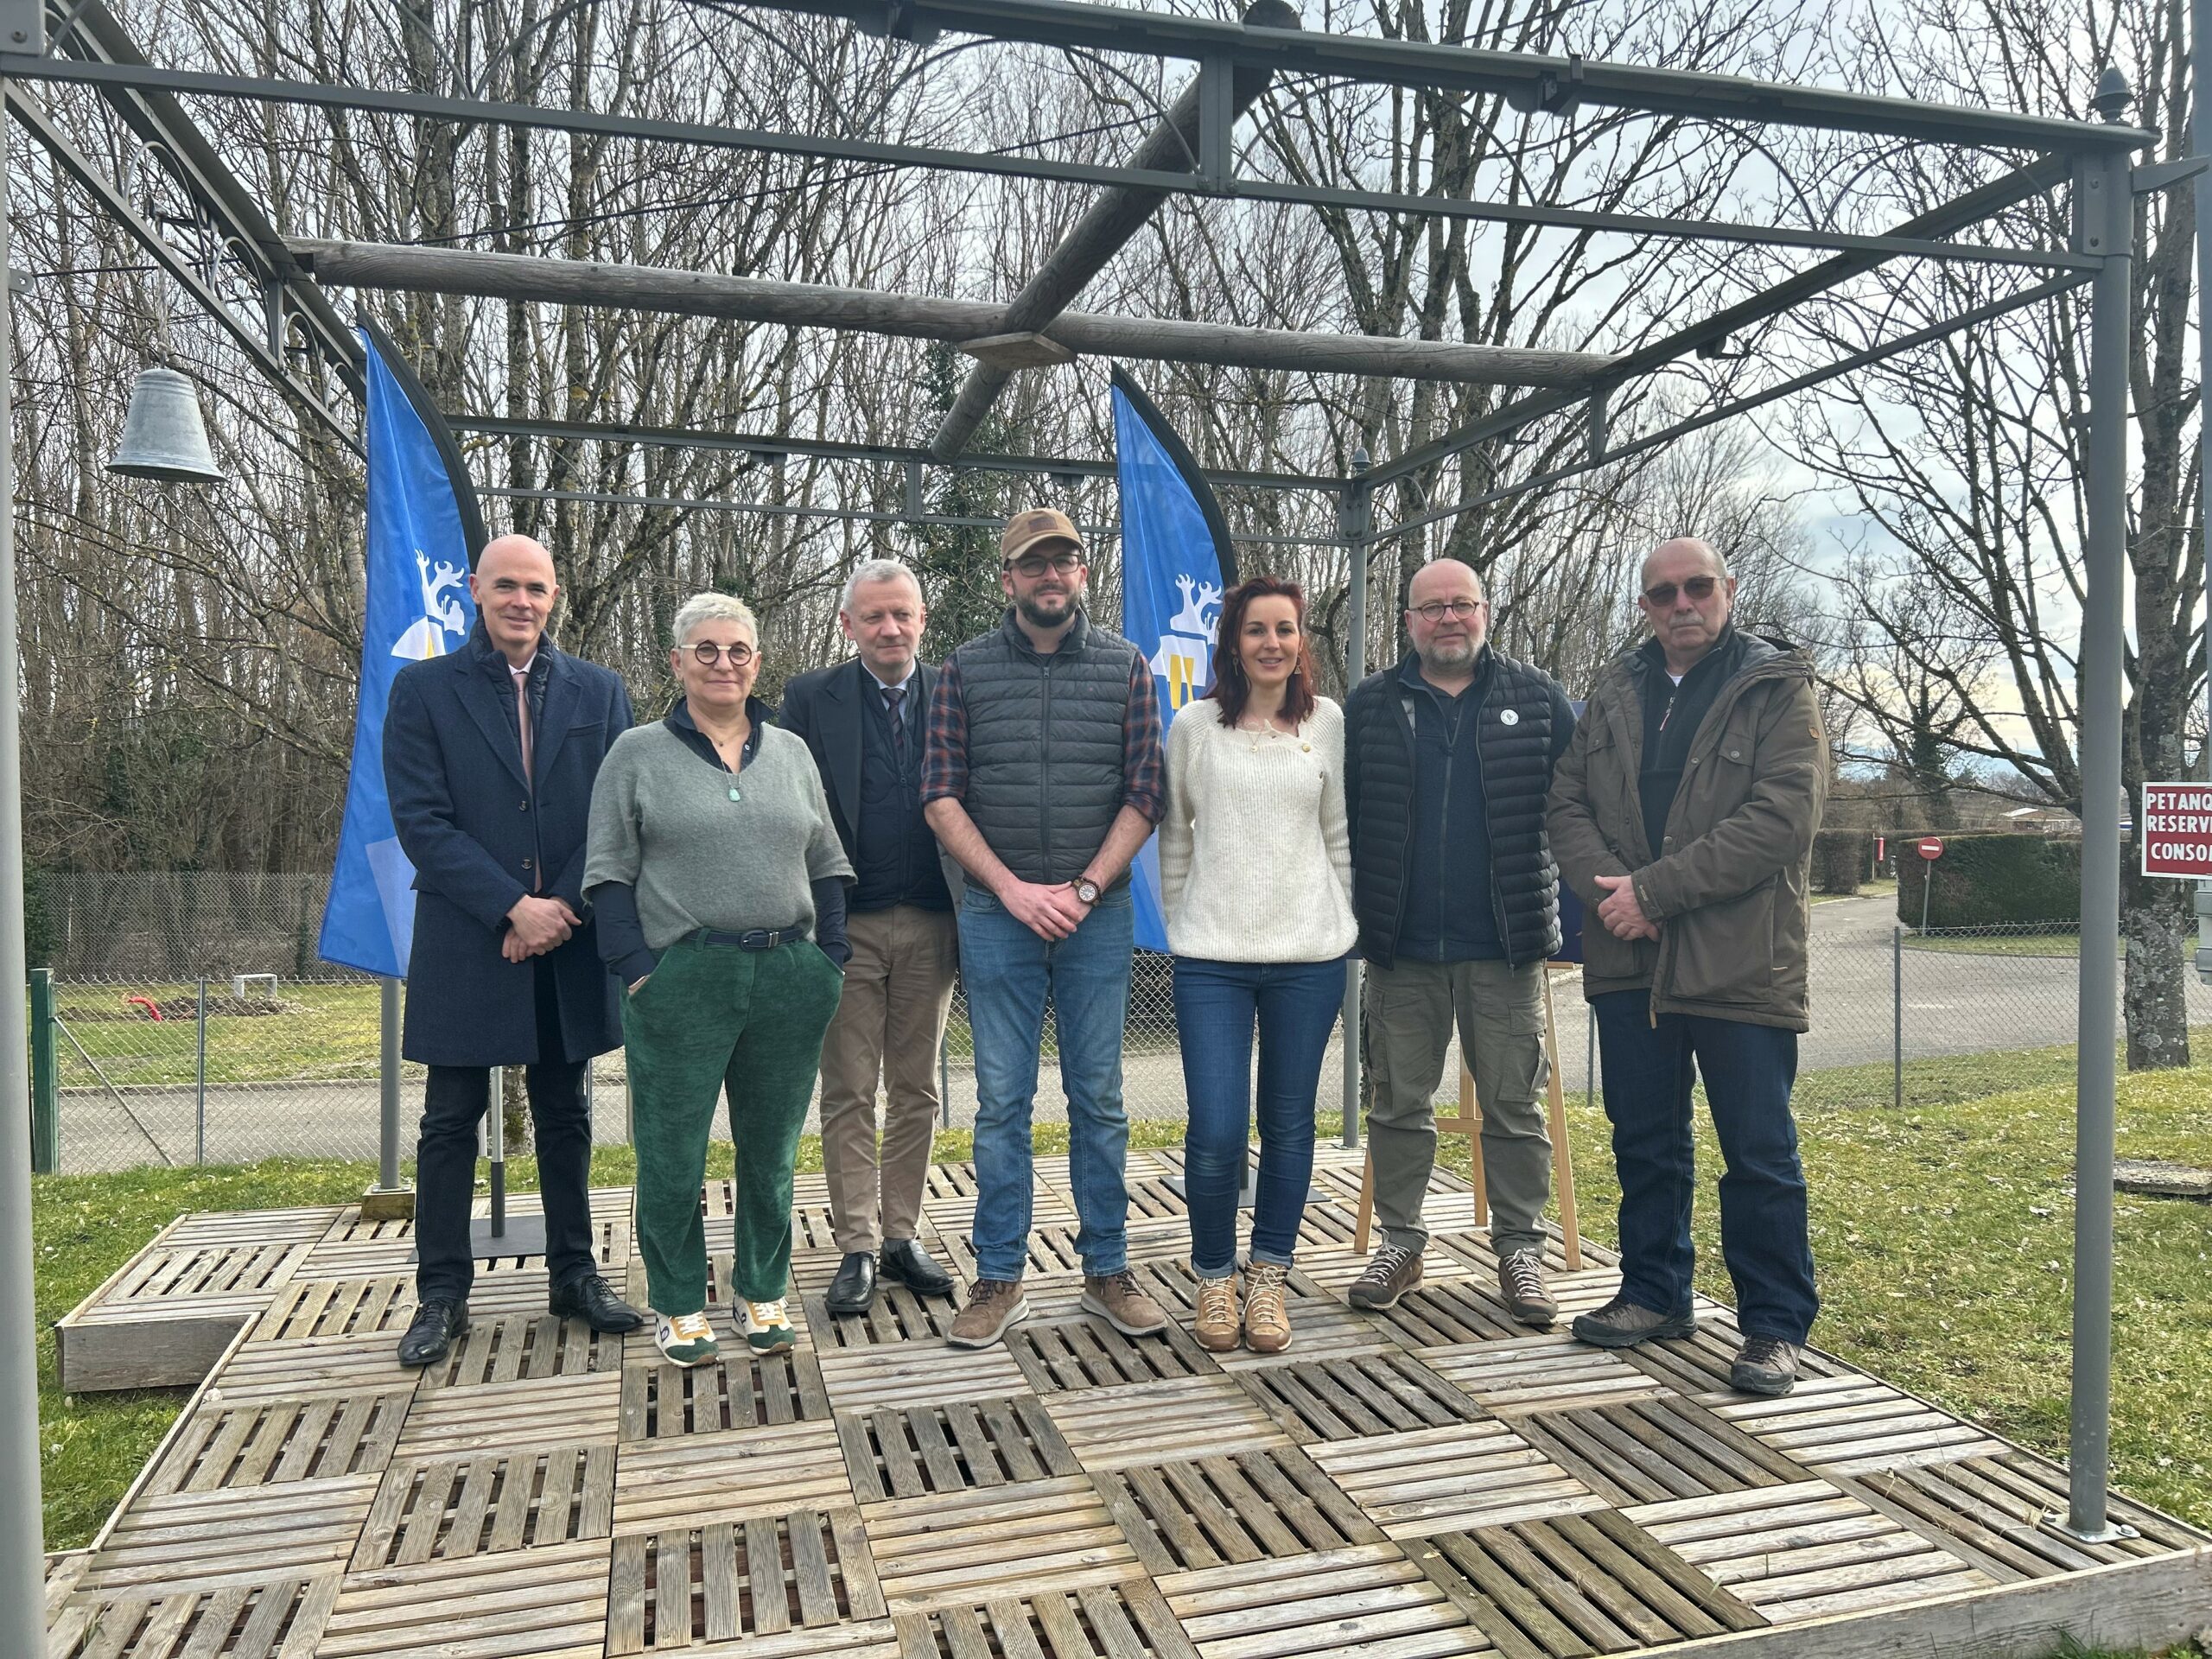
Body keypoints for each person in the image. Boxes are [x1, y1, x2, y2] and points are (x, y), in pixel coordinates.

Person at [1547, 537, 1827, 1398]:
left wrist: (1652, 893)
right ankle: (1654, 1292)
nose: (1681, 604)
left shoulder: (1777, 690)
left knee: (1758, 1150)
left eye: (1696, 587)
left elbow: (1781, 819)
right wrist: (1612, 896)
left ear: (1727, 590)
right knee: (1644, 1140)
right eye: (1662, 593)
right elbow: (1566, 802)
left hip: (1741, 962)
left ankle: (1773, 1327)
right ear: (1644, 606)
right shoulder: (1613, 692)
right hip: (1630, 959)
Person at [384, 532, 645, 1368]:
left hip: (568, 935)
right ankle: (441, 1295)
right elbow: (421, 821)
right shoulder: (423, 690)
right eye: (505, 586)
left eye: (534, 587)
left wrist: (558, 907)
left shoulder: (600, 691)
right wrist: (510, 906)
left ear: (554, 594)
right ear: (475, 590)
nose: (520, 601)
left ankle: (574, 1274)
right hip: (469, 936)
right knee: (449, 1121)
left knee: (567, 1115)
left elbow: (618, 813)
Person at [583, 592, 853, 1366]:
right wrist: (640, 971)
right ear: (677, 662)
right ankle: (677, 1302)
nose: (723, 663)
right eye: (705, 649)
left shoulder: (793, 753)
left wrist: (829, 958)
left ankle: (761, 1288)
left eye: (738, 650)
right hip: (684, 976)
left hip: (790, 974)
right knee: (672, 1152)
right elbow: (607, 872)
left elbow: (827, 860)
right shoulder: (636, 753)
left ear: (757, 663)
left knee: (772, 1150)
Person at [922, 507, 1169, 1349]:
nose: (1050, 575)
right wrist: (1013, 891)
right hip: (997, 915)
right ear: (1008, 580)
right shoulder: (964, 671)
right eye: (1034, 564)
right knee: (1001, 1103)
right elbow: (940, 795)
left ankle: (1108, 1272)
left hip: (1098, 916)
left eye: (1064, 561)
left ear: (1083, 574)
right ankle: (998, 1278)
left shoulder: (1126, 667)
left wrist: (1087, 886)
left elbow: (1146, 792)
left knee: (1098, 1098)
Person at [1343, 557, 1576, 1325]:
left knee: (1514, 1105)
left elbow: (1581, 806)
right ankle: (1401, 1244)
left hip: (1505, 948)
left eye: (1461, 604)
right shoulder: (1371, 705)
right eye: (1432, 607)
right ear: (1408, 621)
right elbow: (1340, 815)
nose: (1448, 618)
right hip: (1400, 946)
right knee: (1397, 1102)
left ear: (1486, 610)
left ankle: (1520, 1250)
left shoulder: (1537, 699)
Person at [1159, 575, 1356, 1355]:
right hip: (1212, 960)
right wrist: (1183, 920)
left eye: (1284, 629)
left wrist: (1340, 917)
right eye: (1255, 630)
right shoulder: (1194, 727)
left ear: (1301, 641)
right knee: (1214, 1129)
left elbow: (1338, 832)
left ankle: (1269, 1275)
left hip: (1309, 957)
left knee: (1289, 1124)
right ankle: (1214, 1276)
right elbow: (1175, 835)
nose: (1271, 643)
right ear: (1232, 643)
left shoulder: (1327, 723)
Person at [779, 560, 960, 1315]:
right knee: (849, 1089)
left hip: (934, 921)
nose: (890, 629)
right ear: (848, 624)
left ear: (922, 619)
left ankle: (901, 1235)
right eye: (874, 616)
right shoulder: (809, 699)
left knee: (917, 1089)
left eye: (902, 614)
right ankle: (856, 1244)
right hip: (843, 925)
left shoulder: (955, 693)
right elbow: (789, 805)